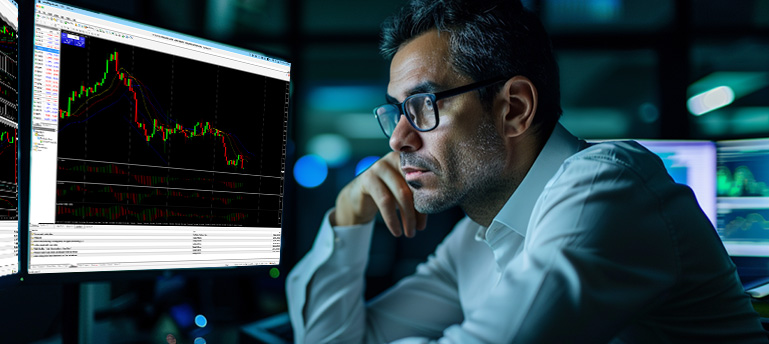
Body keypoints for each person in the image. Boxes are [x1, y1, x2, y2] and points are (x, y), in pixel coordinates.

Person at [285, 0, 767, 342]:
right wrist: (347, 217)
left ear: (514, 108)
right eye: (396, 111)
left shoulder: (610, 185)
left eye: (423, 106)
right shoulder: (475, 241)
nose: (397, 139)